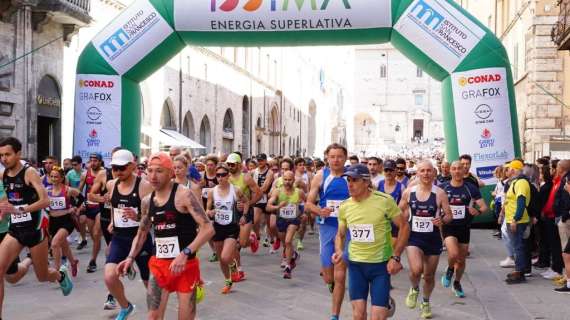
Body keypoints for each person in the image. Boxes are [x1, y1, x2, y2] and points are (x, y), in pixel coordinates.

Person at [116, 152, 215, 320]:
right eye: (150, 170)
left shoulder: (183, 194)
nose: (153, 176)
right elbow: (142, 233)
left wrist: (185, 253)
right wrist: (130, 257)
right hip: (159, 265)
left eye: (159, 171)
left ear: (170, 173)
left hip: (185, 266)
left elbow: (208, 229)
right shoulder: (147, 200)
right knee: (153, 317)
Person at [0, 137, 73, 320]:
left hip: (35, 228)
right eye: (1, 155)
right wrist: (4, 209)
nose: (4, 159)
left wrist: (19, 209)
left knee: (43, 276)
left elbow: (45, 201)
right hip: (15, 229)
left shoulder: (29, 172)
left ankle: (60, 275)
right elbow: (11, 198)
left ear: (18, 153)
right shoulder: (3, 175)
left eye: (7, 154)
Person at [333, 164, 410, 320]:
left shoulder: (384, 201)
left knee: (377, 317)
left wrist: (396, 257)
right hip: (356, 265)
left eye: (354, 180)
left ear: (367, 182)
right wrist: (339, 251)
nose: (350, 184)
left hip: (380, 266)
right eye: (348, 180)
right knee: (358, 315)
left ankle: (384, 303)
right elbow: (340, 234)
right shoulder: (345, 206)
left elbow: (404, 227)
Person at [400, 160, 452, 319]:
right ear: (417, 173)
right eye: (422, 171)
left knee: (429, 276)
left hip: (433, 238)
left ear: (434, 173)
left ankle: (426, 301)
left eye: (429, 171)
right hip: (414, 237)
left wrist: (442, 220)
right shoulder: (409, 192)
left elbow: (449, 215)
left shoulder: (440, 193)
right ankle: (415, 288)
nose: (426, 174)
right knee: (416, 270)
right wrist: (403, 219)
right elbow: (399, 211)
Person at [305, 143, 350, 320]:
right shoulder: (320, 176)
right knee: (328, 275)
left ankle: (334, 315)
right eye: (332, 157)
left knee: (340, 273)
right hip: (327, 227)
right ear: (327, 158)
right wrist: (319, 210)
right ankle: (332, 285)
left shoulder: (351, 177)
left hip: (346, 229)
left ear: (345, 158)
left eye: (339, 156)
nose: (336, 160)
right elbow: (308, 203)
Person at [440, 161, 488, 298]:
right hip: (448, 225)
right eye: (454, 169)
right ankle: (450, 269)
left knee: (461, 260)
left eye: (459, 169)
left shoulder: (470, 187)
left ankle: (457, 282)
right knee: (453, 254)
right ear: (450, 171)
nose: (456, 171)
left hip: (464, 227)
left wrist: (477, 211)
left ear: (463, 170)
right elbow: (436, 204)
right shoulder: (443, 187)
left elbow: (484, 207)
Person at [206, 163, 248, 294]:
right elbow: (207, 208)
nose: (220, 178)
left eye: (223, 175)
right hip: (218, 227)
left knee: (225, 257)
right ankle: (228, 281)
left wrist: (244, 216)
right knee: (221, 259)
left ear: (228, 175)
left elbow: (246, 201)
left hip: (231, 227)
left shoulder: (236, 190)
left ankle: (234, 266)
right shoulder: (212, 192)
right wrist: (210, 212)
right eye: (218, 175)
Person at [227, 153, 262, 280]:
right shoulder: (226, 178)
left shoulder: (246, 178)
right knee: (234, 244)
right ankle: (239, 270)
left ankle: (252, 239)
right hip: (232, 212)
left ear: (238, 165)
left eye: (232, 164)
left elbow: (259, 193)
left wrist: (249, 203)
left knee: (242, 242)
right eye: (228, 164)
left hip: (246, 212)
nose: (230, 167)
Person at [267, 170, 305, 279]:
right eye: (285, 179)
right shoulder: (277, 192)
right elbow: (268, 206)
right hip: (281, 219)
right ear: (282, 180)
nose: (287, 182)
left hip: (294, 220)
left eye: (290, 180)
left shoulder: (299, 192)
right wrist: (277, 207)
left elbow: (306, 204)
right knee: (285, 243)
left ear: (294, 180)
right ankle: (293, 254)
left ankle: (288, 267)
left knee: (288, 241)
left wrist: (304, 213)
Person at [46, 166, 81, 275]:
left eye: (56, 177)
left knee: (55, 244)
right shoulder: (47, 190)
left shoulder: (68, 190)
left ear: (61, 178)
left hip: (66, 221)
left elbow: (82, 198)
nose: (53, 179)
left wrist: (75, 208)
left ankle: (57, 271)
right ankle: (73, 262)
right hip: (52, 221)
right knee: (63, 244)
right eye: (51, 176)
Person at [502, 159, 531, 284]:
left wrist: (515, 219)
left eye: (508, 169)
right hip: (513, 219)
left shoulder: (521, 183)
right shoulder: (516, 182)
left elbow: (521, 202)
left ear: (513, 170)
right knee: (516, 246)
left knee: (518, 247)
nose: (507, 171)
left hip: (517, 220)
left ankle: (520, 272)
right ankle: (519, 270)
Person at [252, 153, 275, 250]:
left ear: (265, 161)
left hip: (268, 199)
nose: (260, 162)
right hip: (258, 199)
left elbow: (265, 186)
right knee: (255, 221)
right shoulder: (253, 171)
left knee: (270, 223)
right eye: (258, 160)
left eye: (261, 160)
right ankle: (257, 236)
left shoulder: (270, 172)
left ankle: (271, 238)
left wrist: (256, 192)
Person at [200, 155, 220, 263]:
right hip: (204, 206)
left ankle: (219, 249)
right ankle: (215, 251)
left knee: (216, 230)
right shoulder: (202, 176)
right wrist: (199, 186)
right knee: (207, 231)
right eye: (207, 165)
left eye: (211, 165)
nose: (209, 167)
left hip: (217, 207)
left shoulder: (219, 176)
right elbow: (196, 189)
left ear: (216, 166)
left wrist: (214, 187)